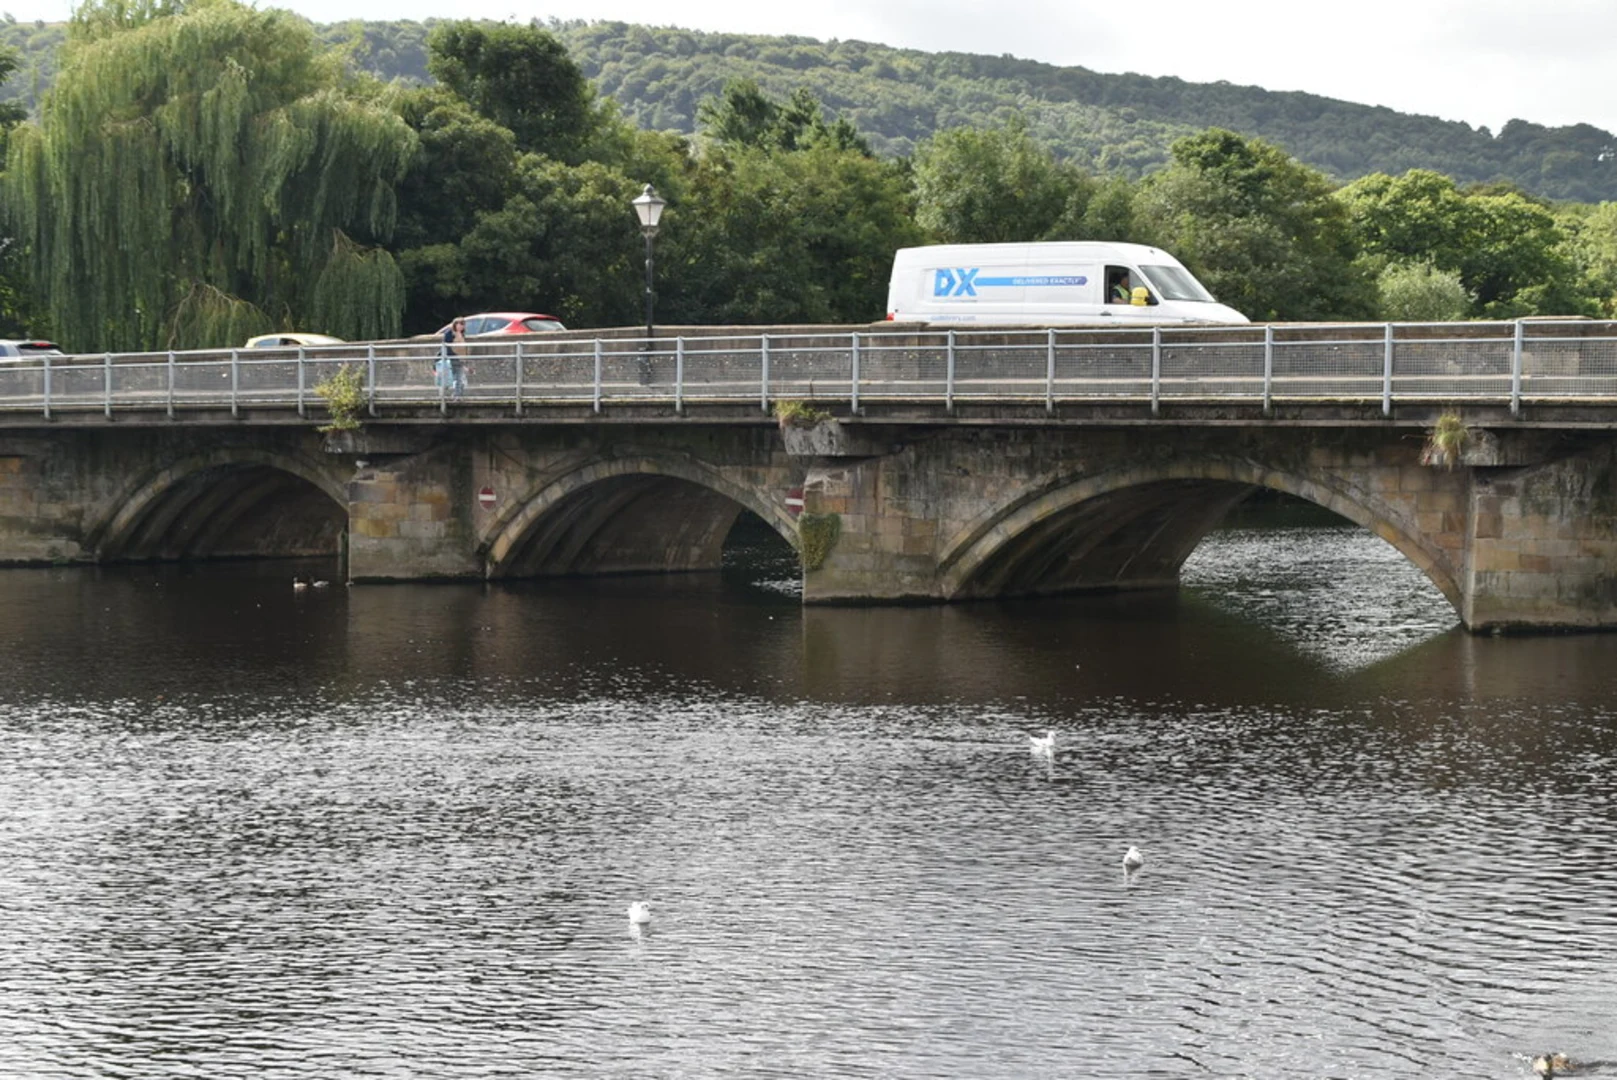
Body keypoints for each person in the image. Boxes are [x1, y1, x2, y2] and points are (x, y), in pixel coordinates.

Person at [440, 318, 467, 399]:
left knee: (459, 378)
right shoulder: (449, 333)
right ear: (455, 325)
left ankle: (457, 395)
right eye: (459, 324)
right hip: (452, 358)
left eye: (462, 325)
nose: (461, 326)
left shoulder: (462, 334)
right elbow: (447, 347)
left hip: (460, 359)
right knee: (456, 378)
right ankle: (456, 395)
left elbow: (463, 348)